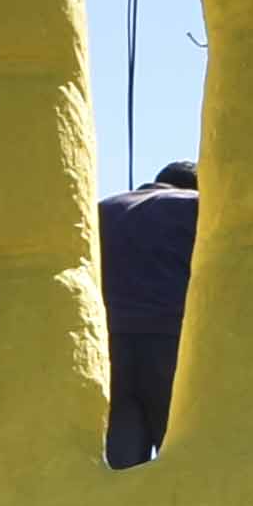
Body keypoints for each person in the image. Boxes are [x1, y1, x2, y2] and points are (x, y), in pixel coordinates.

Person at [97, 159, 204, 464]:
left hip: (107, 346)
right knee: (185, 460)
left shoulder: (102, 209)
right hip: (171, 341)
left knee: (120, 466)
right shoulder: (198, 206)